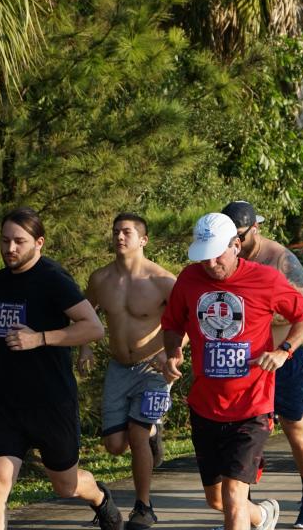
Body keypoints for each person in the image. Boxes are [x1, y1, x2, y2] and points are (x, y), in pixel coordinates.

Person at [162, 212, 303, 530]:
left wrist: (283, 351)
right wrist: (174, 351)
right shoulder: (189, 279)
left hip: (252, 405)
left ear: (236, 245)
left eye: (217, 254)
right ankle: (262, 515)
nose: (210, 263)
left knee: (233, 496)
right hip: (205, 405)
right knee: (217, 500)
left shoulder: (266, 279)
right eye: (203, 256)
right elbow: (174, 324)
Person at [0, 207, 121, 530]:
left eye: (19, 242)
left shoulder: (54, 279)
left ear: (39, 242)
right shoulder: (0, 280)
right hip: (6, 400)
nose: (10, 249)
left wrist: (39, 338)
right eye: (4, 241)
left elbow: (94, 327)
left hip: (51, 401)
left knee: (64, 486)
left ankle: (99, 498)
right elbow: (1, 325)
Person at [220, 201, 303, 529]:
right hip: (243, 363)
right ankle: (242, 509)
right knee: (240, 434)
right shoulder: (223, 260)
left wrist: (261, 313)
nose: (234, 244)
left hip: (282, 358)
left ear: (255, 228)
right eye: (228, 237)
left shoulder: (279, 258)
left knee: (296, 429)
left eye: (239, 236)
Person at [77, 213, 177, 530]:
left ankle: (143, 507)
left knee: (136, 434)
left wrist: (169, 352)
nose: (120, 237)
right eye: (116, 231)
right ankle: (152, 433)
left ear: (143, 240)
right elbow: (84, 313)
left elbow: (188, 321)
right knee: (115, 446)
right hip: (119, 368)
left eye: (128, 232)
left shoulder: (162, 280)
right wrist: (85, 347)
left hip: (153, 369)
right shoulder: (100, 279)